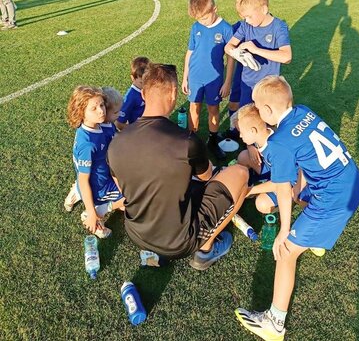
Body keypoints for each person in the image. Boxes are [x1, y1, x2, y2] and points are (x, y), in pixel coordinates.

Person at [235, 75, 359, 341]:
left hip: (333, 198)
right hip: (350, 179)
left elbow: (282, 190)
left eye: (257, 107)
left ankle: (274, 323)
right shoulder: (303, 111)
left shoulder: (280, 142)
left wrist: (285, 230)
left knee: (285, 252)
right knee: (303, 201)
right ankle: (314, 239)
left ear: (267, 111)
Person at [108, 63, 249, 269]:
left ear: (144, 95)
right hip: (178, 242)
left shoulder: (116, 142)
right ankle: (205, 250)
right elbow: (206, 176)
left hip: (136, 232)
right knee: (240, 173)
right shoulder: (187, 141)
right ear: (174, 93)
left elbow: (122, 186)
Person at [182, 0, 235, 159]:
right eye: (198, 19)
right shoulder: (196, 27)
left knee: (213, 109)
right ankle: (192, 140)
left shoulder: (226, 29)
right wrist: (185, 77)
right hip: (195, 76)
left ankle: (212, 140)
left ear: (215, 9)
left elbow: (231, 58)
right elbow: (190, 52)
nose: (202, 22)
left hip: (214, 79)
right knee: (194, 107)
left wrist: (227, 82)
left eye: (204, 18)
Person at [67, 86, 125, 238]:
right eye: (94, 108)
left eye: (102, 105)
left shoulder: (96, 126)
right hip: (100, 189)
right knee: (135, 198)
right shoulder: (88, 144)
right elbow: (83, 179)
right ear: (81, 113)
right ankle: (97, 210)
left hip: (103, 178)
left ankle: (78, 192)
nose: (101, 111)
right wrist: (92, 212)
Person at [225, 0, 292, 107]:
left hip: (268, 87)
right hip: (247, 84)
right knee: (246, 115)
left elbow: (286, 57)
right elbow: (228, 46)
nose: (247, 20)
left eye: (249, 16)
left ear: (264, 9)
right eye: (244, 17)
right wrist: (238, 53)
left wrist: (255, 50)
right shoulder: (246, 26)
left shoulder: (279, 27)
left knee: (265, 117)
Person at [116, 56, 150, 131]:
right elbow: (119, 123)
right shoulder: (130, 97)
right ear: (133, 78)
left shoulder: (148, 88)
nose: (145, 85)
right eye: (141, 82)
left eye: (148, 81)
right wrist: (135, 131)